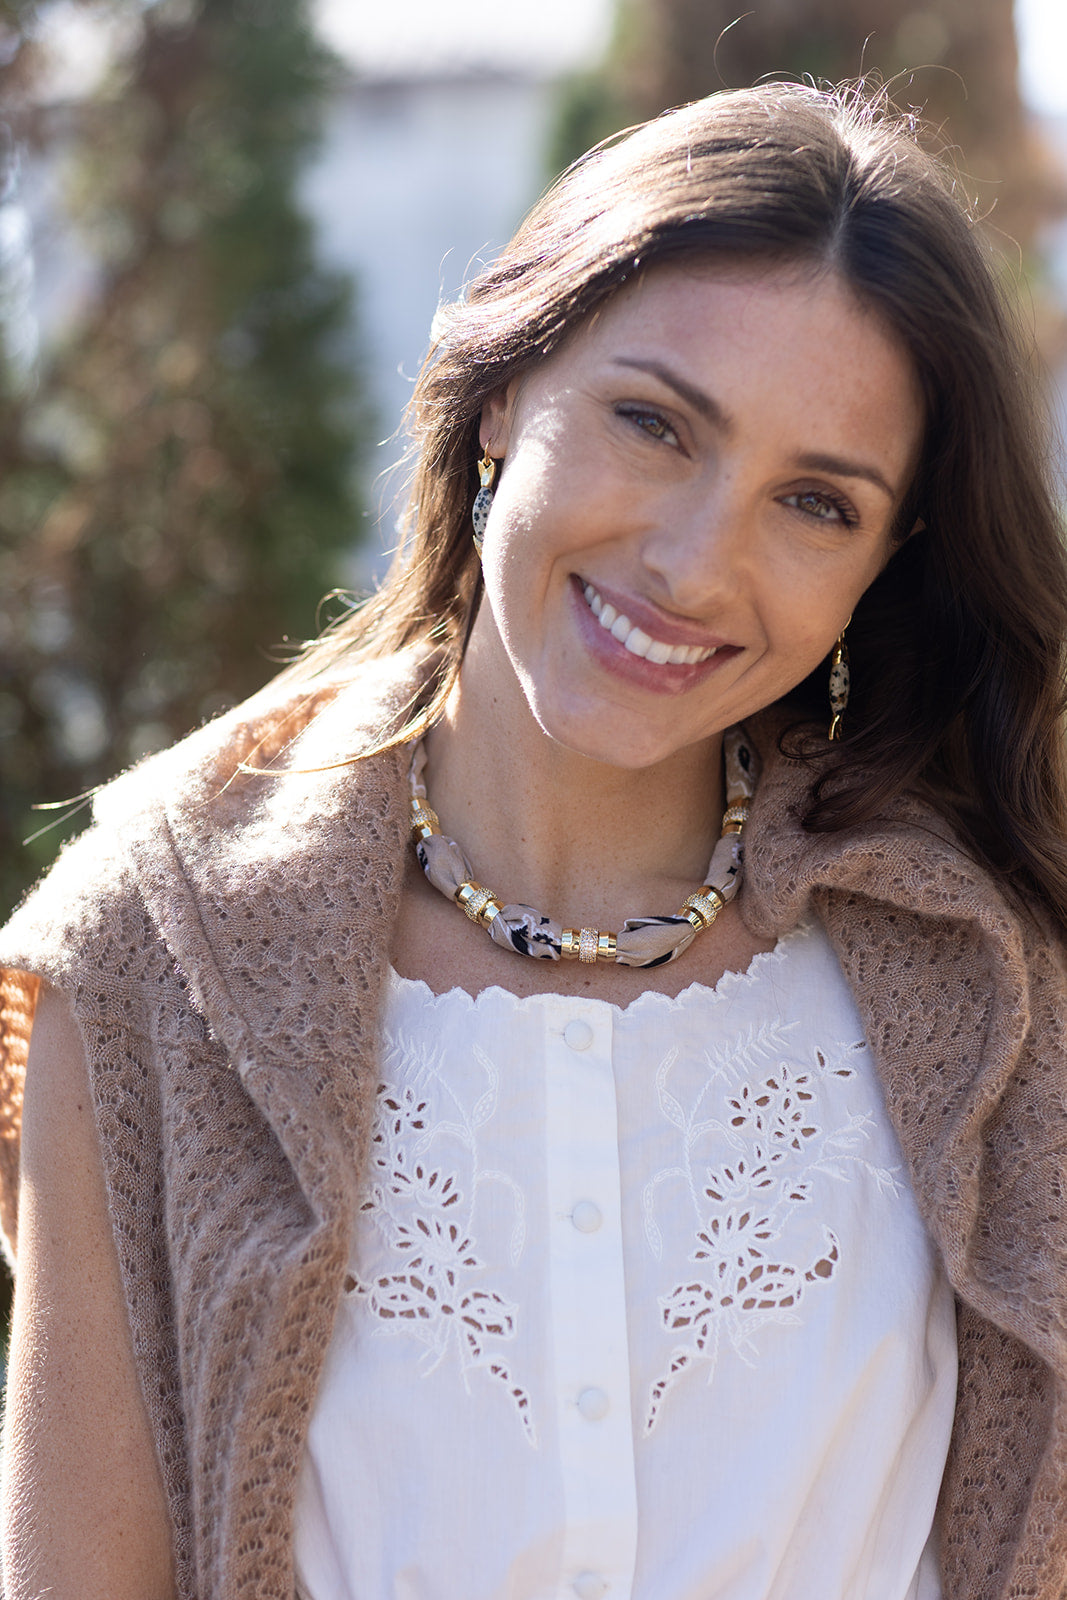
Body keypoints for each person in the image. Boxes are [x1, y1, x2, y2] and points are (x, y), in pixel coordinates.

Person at [2, 77, 1067, 1600]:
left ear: (883, 567)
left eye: (815, 504)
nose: (698, 565)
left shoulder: (997, 986)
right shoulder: (152, 958)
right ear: (504, 381)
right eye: (653, 423)